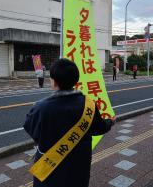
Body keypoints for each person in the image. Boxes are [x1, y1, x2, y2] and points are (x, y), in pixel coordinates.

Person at [24, 59, 115, 187]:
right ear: (75, 80)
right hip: (79, 165)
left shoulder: (40, 108)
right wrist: (110, 122)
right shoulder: (88, 104)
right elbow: (99, 128)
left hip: (50, 168)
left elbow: (33, 132)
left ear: (54, 81)